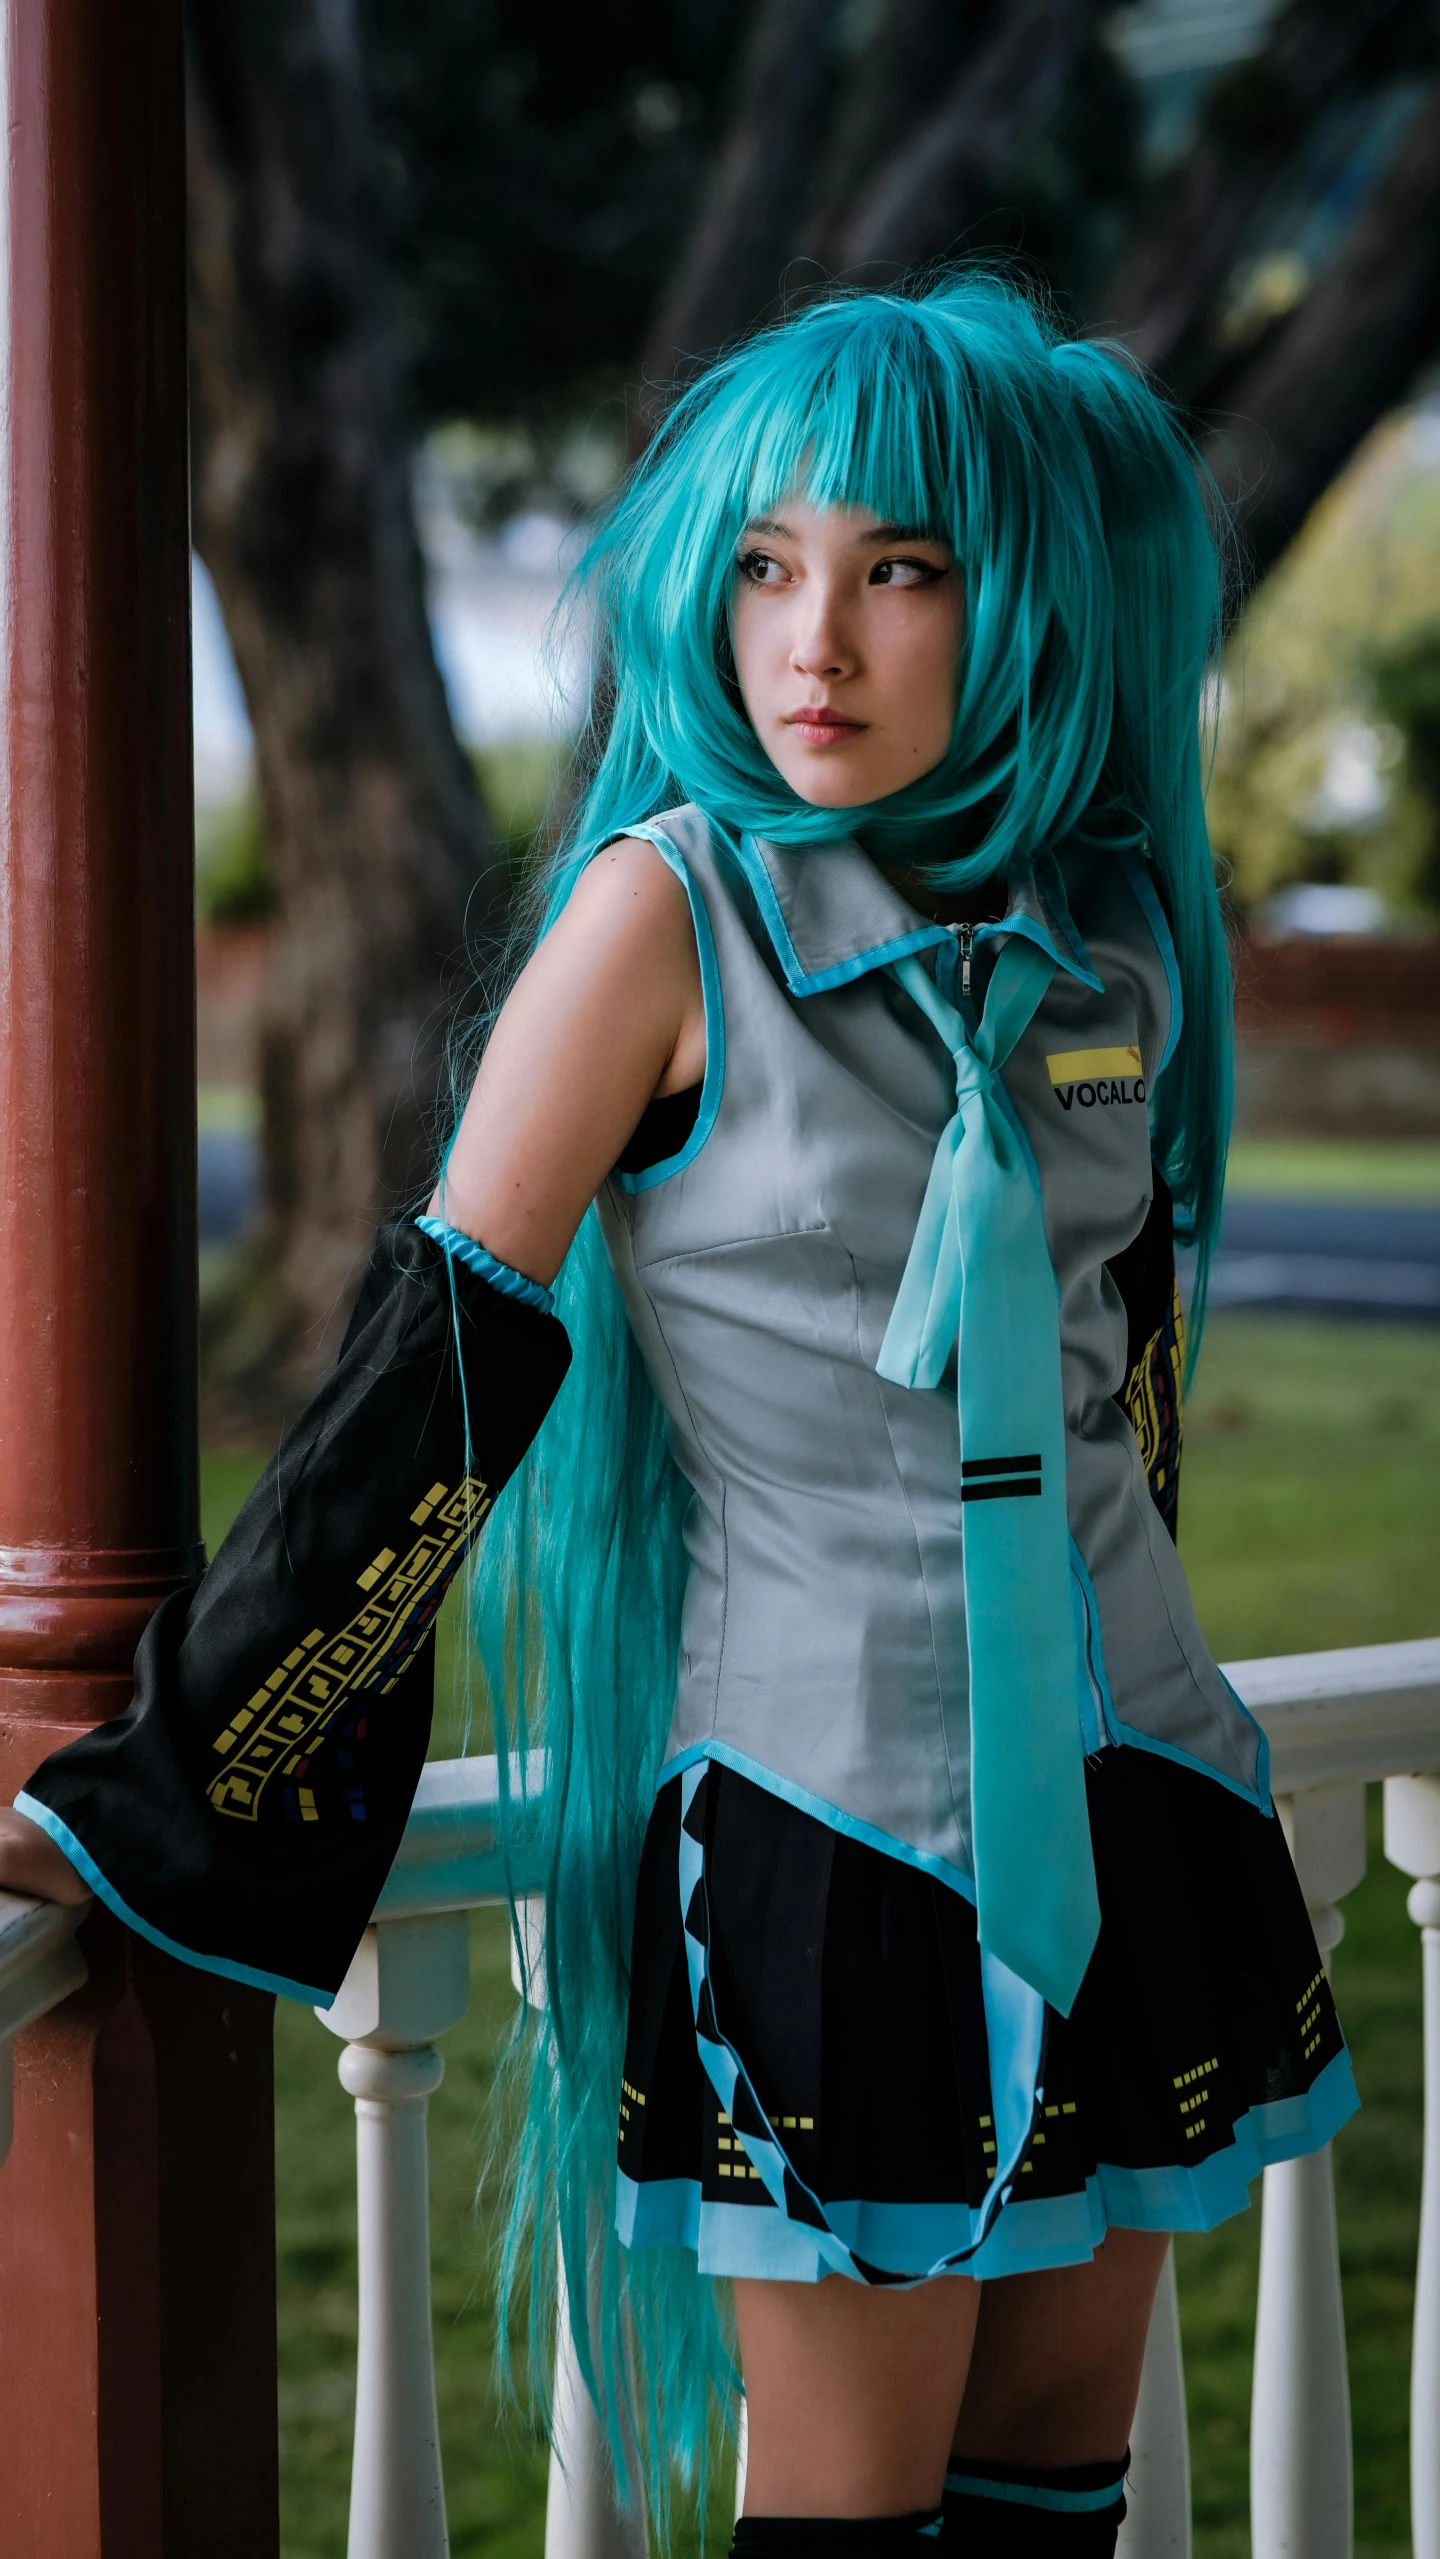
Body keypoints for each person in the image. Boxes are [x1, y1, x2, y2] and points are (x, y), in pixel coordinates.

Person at [0, 275, 1356, 2556]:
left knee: (1054, 2501)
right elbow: (440, 1371)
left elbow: (1121, 1382)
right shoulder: (662, 919)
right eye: (764, 563)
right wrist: (187, 1775)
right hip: (839, 1847)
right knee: (850, 2519)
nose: (810, 635)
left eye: (898, 568)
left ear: (1012, 600)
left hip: (1148, 1805)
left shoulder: (1106, 941)